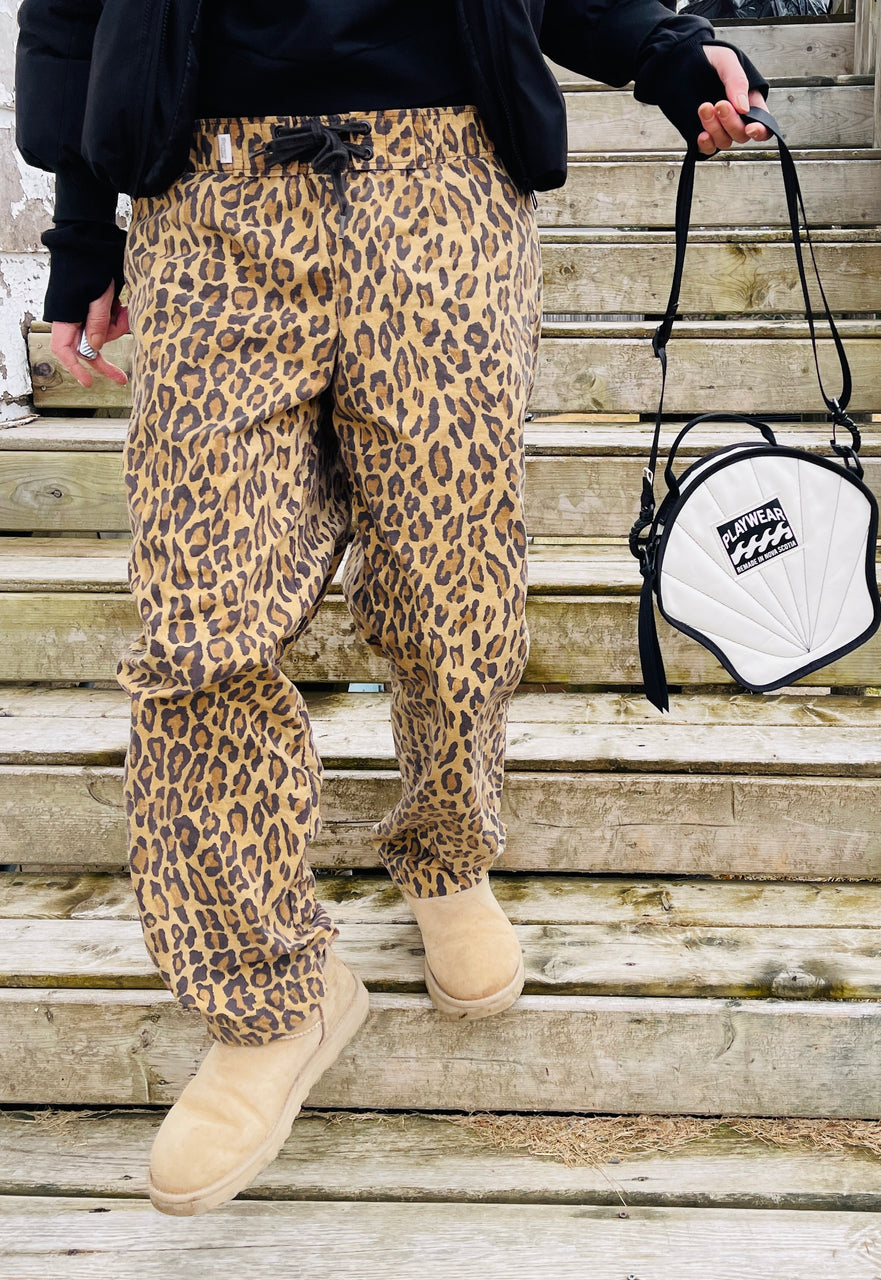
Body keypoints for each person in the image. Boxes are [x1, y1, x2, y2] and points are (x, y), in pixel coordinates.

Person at [16, 0, 770, 1217]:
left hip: (445, 189)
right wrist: (82, 232)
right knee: (196, 619)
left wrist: (663, 50)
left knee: (450, 573)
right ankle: (273, 993)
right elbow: (67, 13)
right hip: (210, 205)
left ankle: (445, 850)